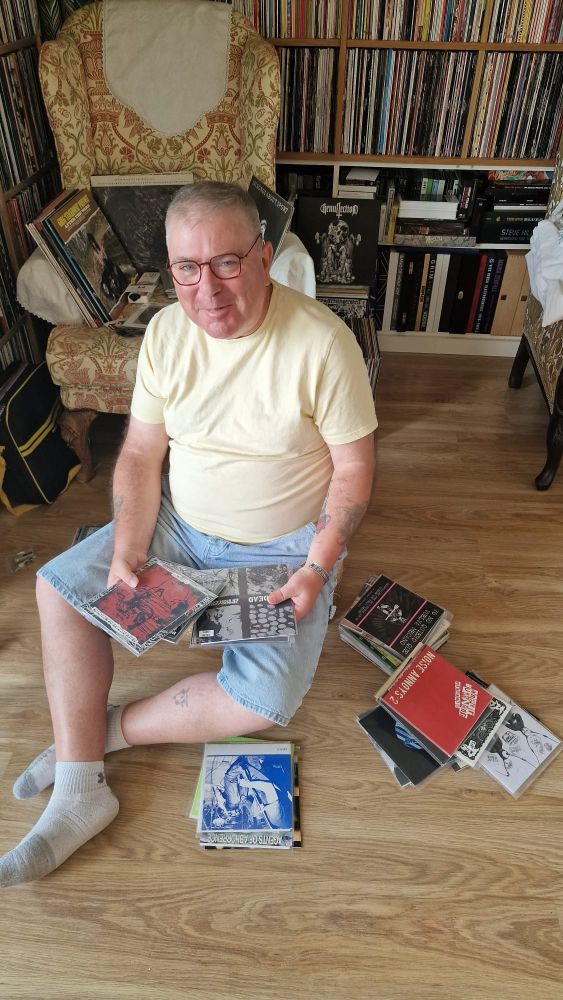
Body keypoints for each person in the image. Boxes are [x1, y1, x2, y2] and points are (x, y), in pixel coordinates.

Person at [0, 181, 376, 887]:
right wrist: (126, 550)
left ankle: (102, 732)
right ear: (169, 270)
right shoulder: (167, 334)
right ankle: (83, 791)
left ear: (264, 258)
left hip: (285, 547)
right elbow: (142, 455)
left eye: (228, 263)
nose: (207, 290)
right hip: (181, 524)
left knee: (262, 704)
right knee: (56, 592)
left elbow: (354, 472)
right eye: (186, 269)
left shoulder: (323, 343)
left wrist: (319, 566)